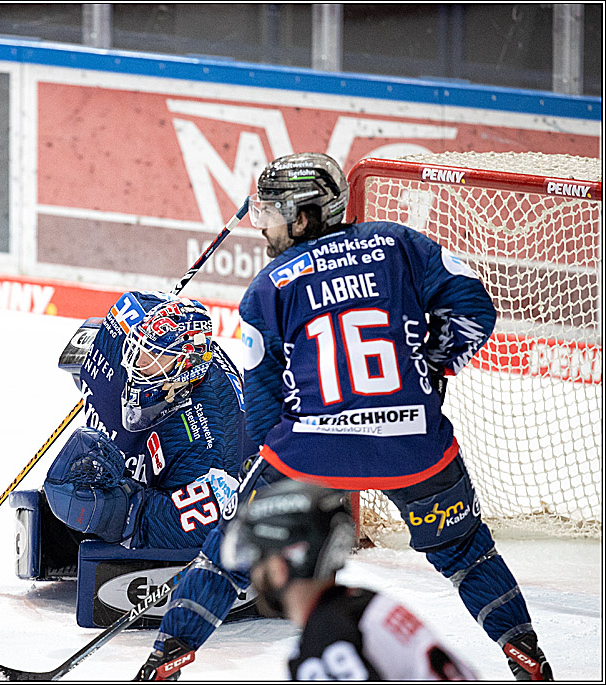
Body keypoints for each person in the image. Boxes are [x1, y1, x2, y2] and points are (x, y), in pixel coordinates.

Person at [134, 153, 553, 681]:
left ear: (305, 217)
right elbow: (474, 306)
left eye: (274, 214)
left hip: (312, 452)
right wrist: (435, 365)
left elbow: (263, 407)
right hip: (413, 447)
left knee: (230, 551)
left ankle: (167, 654)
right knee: (466, 551)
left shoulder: (268, 287)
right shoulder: (400, 244)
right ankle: (524, 650)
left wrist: (258, 480)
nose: (264, 227)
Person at [43, 291, 250, 551]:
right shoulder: (153, 334)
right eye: (139, 348)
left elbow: (202, 522)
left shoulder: (211, 443)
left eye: (154, 356)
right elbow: (119, 319)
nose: (137, 363)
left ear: (186, 365)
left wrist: (118, 513)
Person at [219, 479, 477, 680]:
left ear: (279, 568)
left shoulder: (327, 647)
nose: (253, 572)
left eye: (257, 558)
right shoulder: (366, 602)